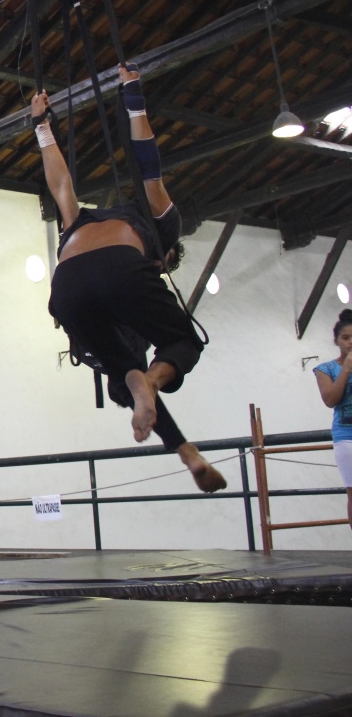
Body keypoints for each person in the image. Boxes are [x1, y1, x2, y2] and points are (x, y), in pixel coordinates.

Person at [32, 65, 225, 493]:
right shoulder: (161, 225)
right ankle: (151, 381)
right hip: (118, 268)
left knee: (125, 371)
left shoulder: (78, 221)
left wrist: (41, 126)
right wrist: (132, 100)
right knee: (184, 343)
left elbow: (60, 184)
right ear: (166, 257)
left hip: (66, 286)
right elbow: (146, 165)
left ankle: (185, 450)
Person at [314, 309, 352, 531]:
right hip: (346, 437)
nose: (350, 342)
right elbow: (330, 399)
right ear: (336, 341)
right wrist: (346, 369)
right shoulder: (326, 369)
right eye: (346, 337)